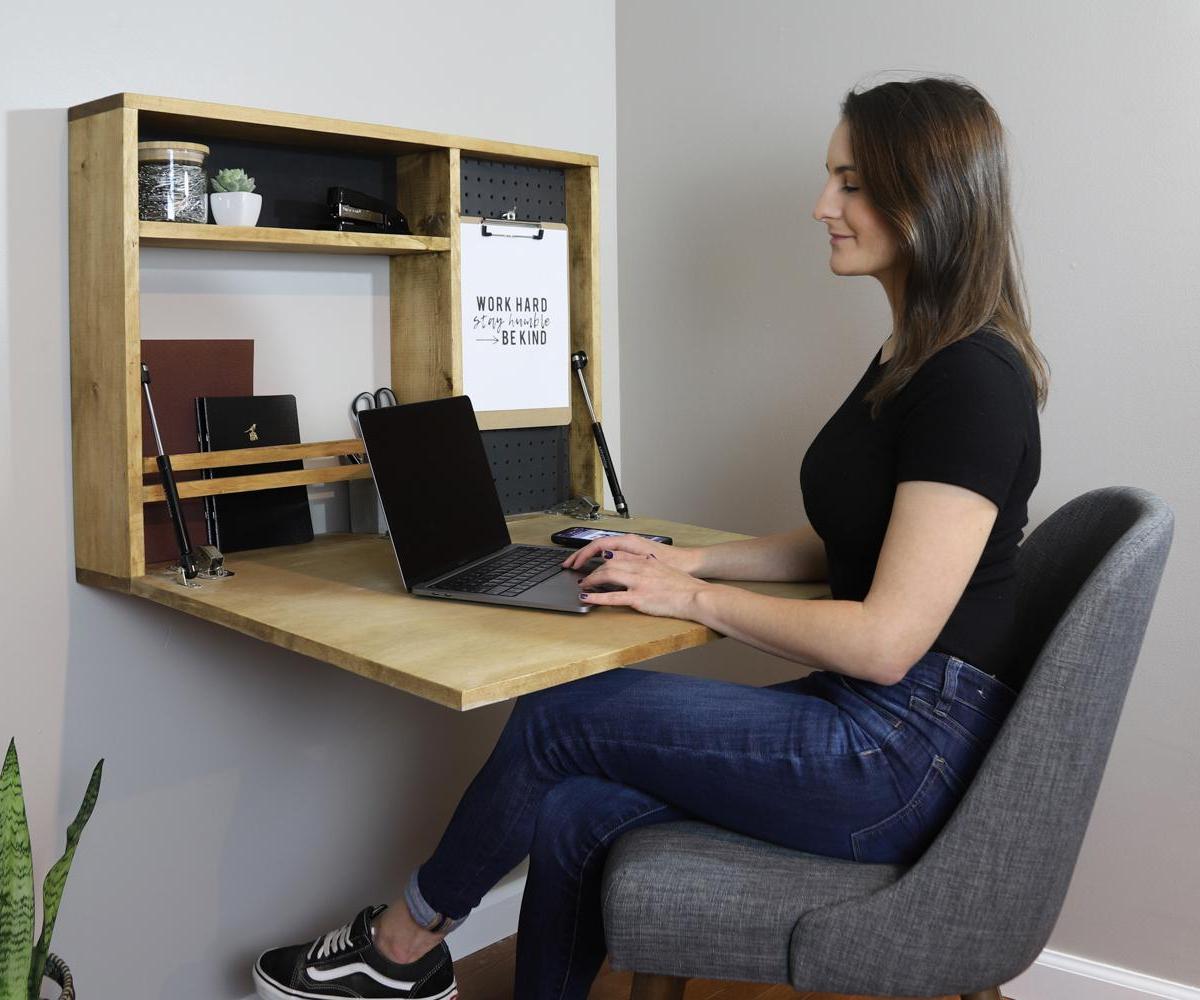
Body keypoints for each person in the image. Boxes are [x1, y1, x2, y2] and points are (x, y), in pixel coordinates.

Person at [251, 75, 1048, 1000]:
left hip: (902, 753)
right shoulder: (917, 356)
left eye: (851, 183)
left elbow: (885, 640)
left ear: (930, 197)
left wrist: (692, 599)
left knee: (561, 715)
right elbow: (856, 543)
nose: (821, 205)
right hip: (884, 725)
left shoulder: (972, 381)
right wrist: (689, 560)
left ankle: (401, 947)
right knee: (578, 809)